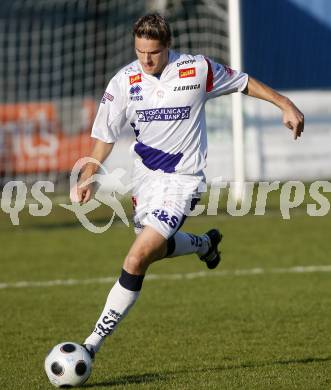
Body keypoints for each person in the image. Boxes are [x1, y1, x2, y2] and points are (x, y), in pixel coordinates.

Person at [74, 13, 304, 361]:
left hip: (184, 181)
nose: (146, 59)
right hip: (146, 180)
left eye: (152, 52)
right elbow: (104, 136)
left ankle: (90, 345)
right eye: (139, 51)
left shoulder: (196, 70)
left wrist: (284, 103)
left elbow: (243, 82)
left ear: (167, 47)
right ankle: (204, 244)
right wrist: (90, 171)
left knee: (136, 259)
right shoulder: (123, 81)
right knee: (154, 248)